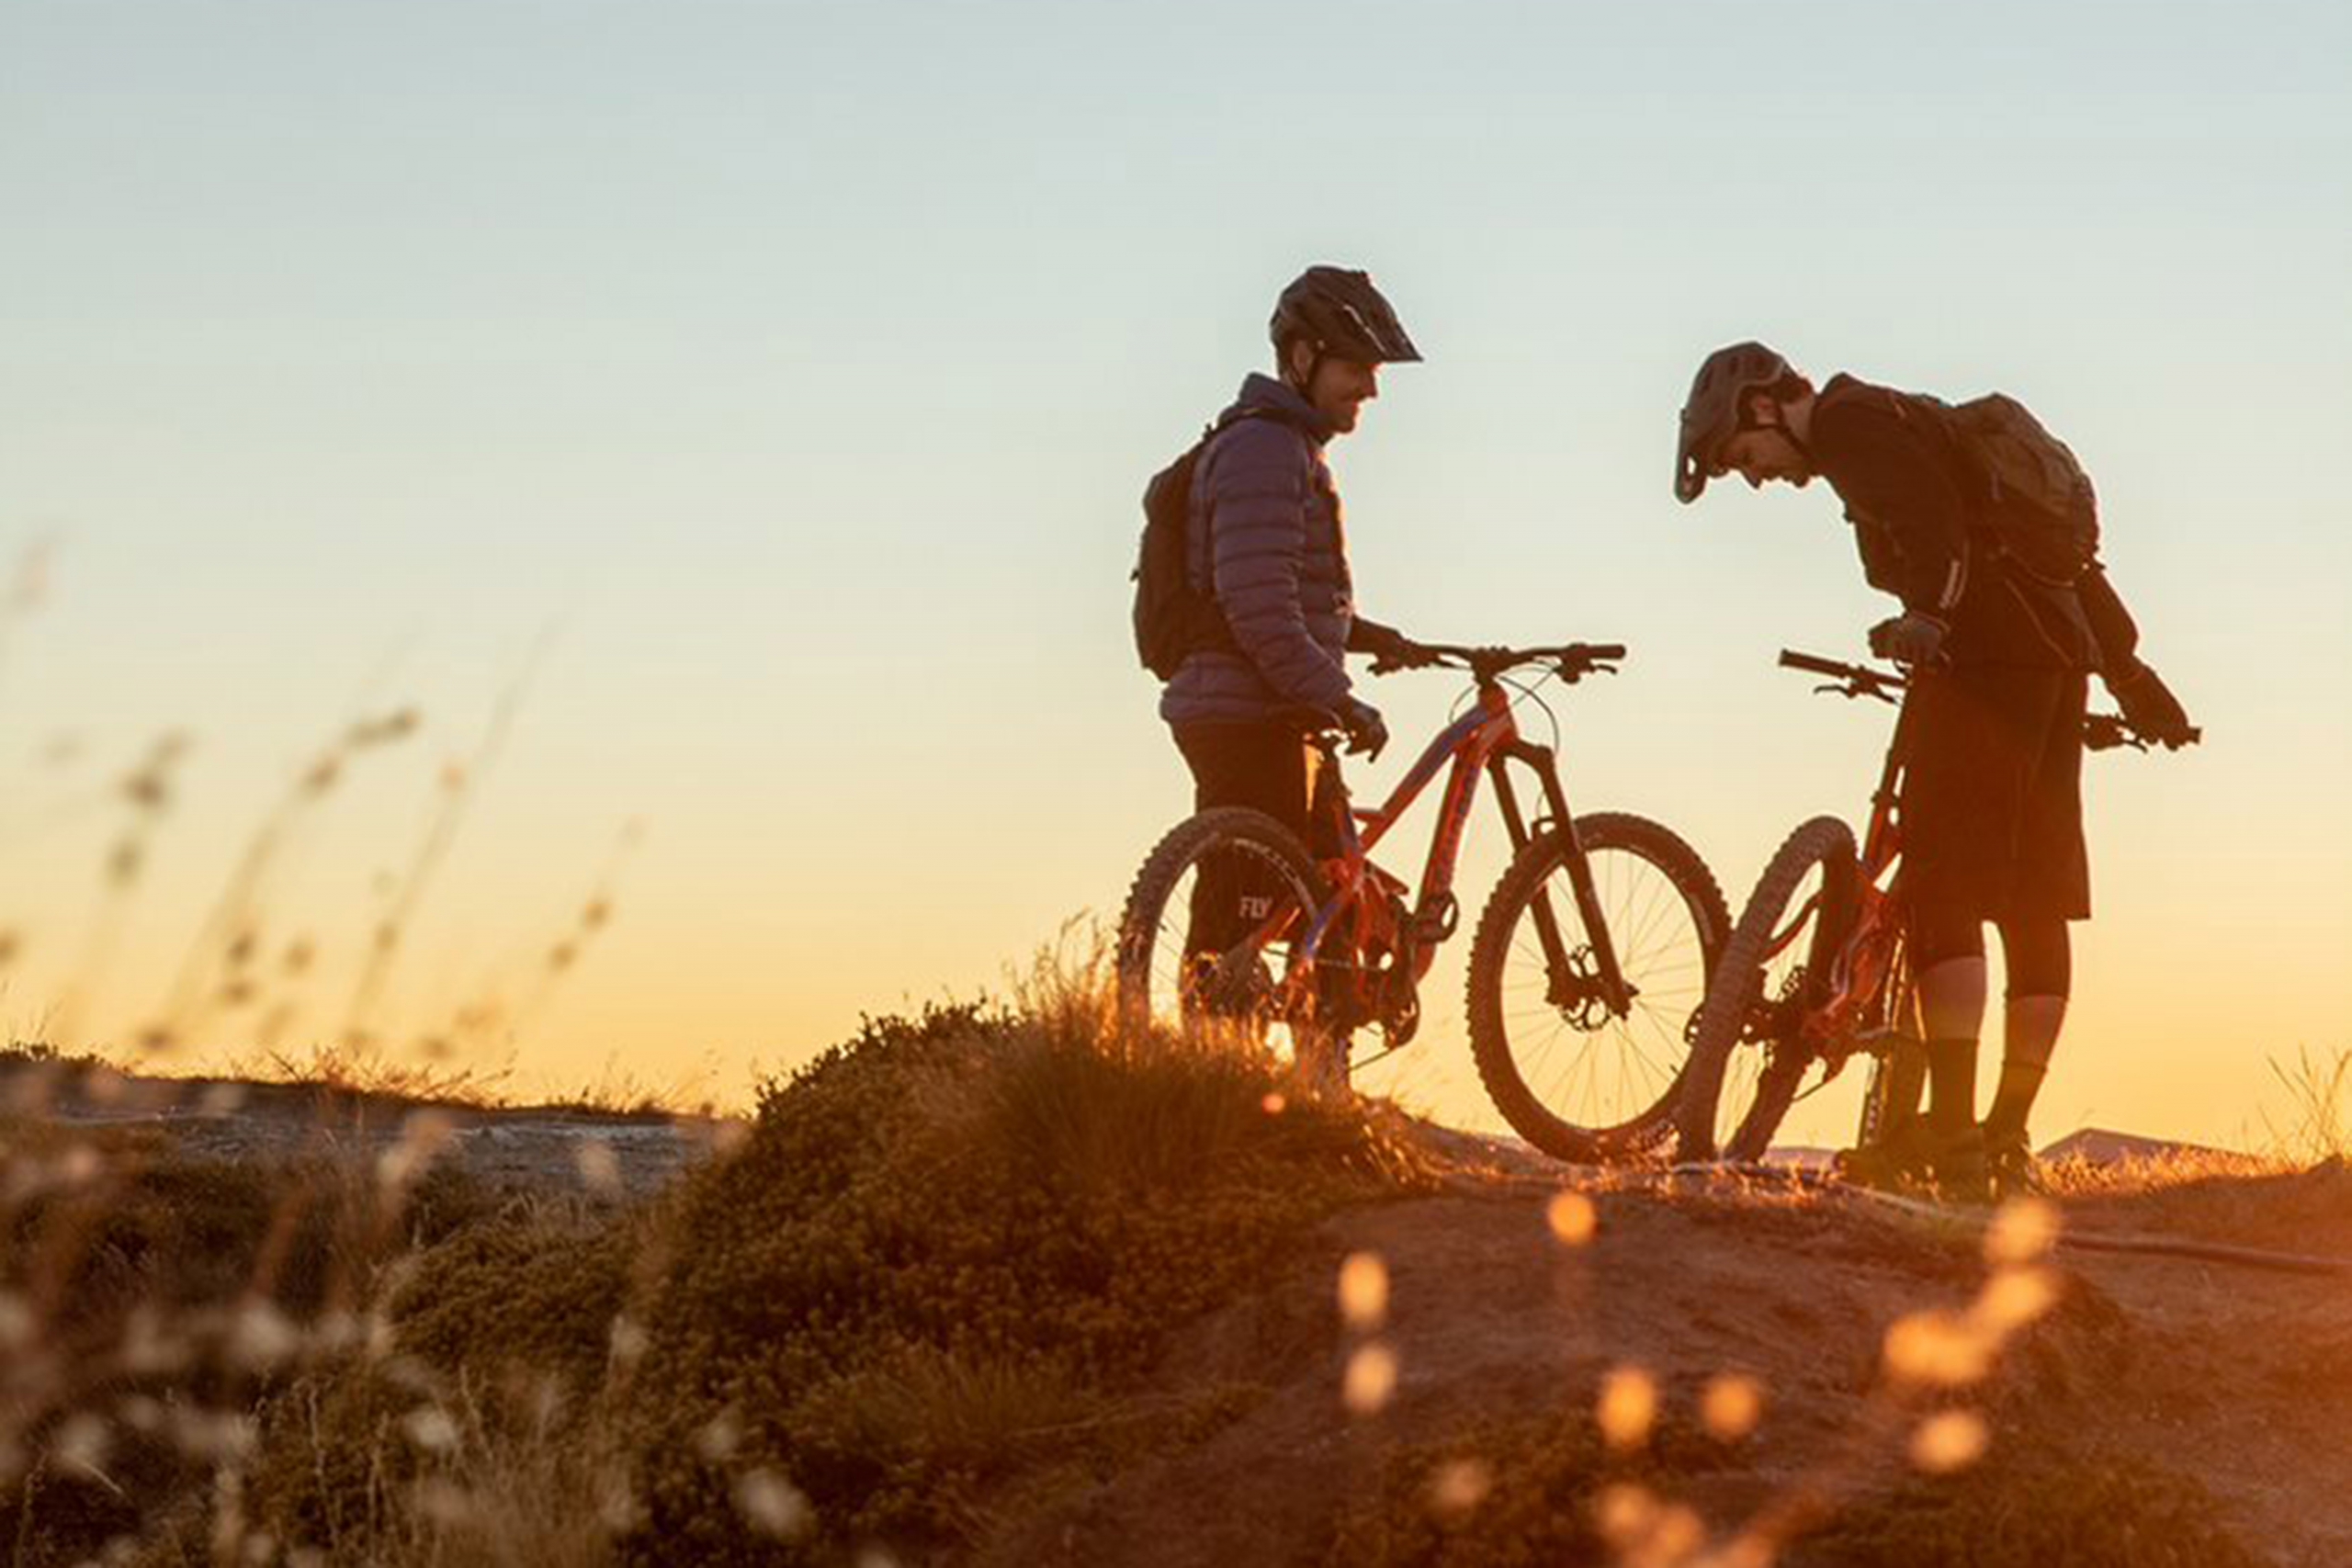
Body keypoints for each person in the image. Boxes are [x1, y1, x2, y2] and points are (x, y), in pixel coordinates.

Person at [1673, 342, 2196, 1198]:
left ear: (1765, 408)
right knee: (2034, 901)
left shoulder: (1850, 426)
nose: (1757, 477)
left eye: (1743, 458)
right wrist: (2132, 675)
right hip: (2056, 666)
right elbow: (2059, 563)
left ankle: (1951, 1133)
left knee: (1942, 883)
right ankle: (2003, 1135)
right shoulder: (1908, 416)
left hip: (1985, 665)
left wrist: (1926, 614)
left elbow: (1933, 527)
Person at [1156, 266, 1435, 1077]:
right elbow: (1257, 604)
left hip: (1263, 702)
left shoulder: (1279, 448)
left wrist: (1365, 634)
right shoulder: (1264, 450)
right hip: (1250, 709)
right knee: (1245, 912)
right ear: (1302, 358)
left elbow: (1272, 589)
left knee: (1329, 896)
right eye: (1357, 367)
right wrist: (1338, 697)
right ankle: (1222, 1081)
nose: (1370, 390)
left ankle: (1320, 1088)